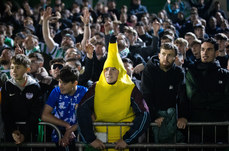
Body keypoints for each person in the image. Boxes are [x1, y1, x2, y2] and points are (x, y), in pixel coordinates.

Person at [77, 36, 150, 151]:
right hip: (100, 142)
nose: (109, 73)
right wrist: (90, 139)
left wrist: (127, 139)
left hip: (123, 143)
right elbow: (82, 109)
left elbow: (144, 114)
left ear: (120, 72)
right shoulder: (97, 87)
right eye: (106, 69)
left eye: (113, 69)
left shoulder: (130, 88)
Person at [141, 43, 188, 144]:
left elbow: (182, 96)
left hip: (172, 116)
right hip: (154, 117)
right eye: (163, 54)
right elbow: (146, 95)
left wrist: (183, 116)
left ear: (175, 58)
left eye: (169, 55)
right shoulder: (149, 70)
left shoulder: (179, 72)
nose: (166, 58)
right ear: (159, 55)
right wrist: (154, 117)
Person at [185, 38, 229, 145]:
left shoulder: (225, 75)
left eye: (209, 49)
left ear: (217, 53)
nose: (205, 52)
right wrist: (217, 98)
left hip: (220, 128)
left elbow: (227, 100)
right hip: (196, 128)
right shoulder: (191, 72)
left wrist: (204, 101)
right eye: (203, 49)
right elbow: (193, 98)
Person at [41, 66, 88, 151]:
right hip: (59, 135)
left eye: (65, 83)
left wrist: (70, 130)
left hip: (80, 136)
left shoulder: (84, 92)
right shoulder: (56, 91)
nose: (61, 86)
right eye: (60, 82)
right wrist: (67, 126)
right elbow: (45, 115)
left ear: (75, 83)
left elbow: (91, 117)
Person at [1, 54, 43, 145]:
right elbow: (5, 111)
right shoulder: (7, 86)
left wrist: (24, 134)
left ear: (27, 69)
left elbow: (35, 113)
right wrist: (13, 131)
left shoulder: (35, 86)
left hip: (30, 133)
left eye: (18, 67)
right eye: (12, 67)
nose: (14, 71)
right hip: (10, 133)